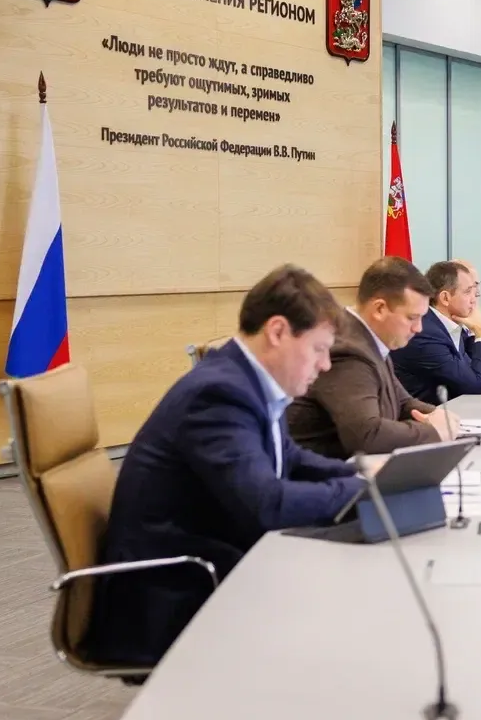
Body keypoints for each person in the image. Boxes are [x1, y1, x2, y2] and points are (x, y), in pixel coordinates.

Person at [87, 265, 373, 667]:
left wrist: (361, 472)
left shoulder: (247, 379)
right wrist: (363, 490)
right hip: (174, 592)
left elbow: (287, 457)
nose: (325, 365)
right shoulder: (219, 394)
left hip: (217, 557)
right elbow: (268, 504)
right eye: (318, 349)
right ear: (278, 332)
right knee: (347, 607)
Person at [286, 257, 457, 460]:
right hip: (323, 473)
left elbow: (403, 403)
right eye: (412, 318)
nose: (418, 328)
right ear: (379, 309)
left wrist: (439, 417)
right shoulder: (348, 350)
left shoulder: (368, 338)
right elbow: (367, 435)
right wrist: (433, 432)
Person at [391, 261, 481, 404]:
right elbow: (476, 385)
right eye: (467, 292)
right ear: (445, 298)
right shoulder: (426, 333)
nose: (474, 300)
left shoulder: (446, 325)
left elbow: (467, 370)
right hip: (426, 414)